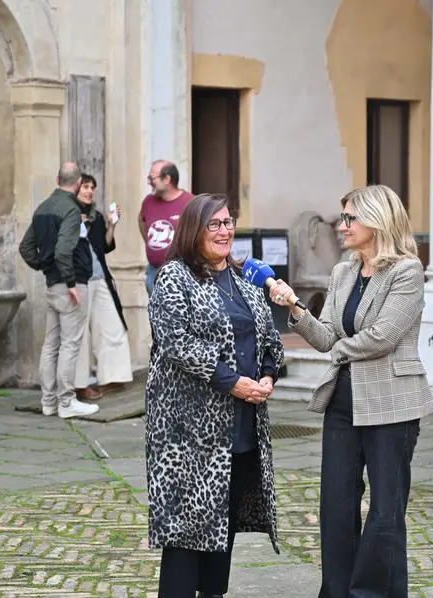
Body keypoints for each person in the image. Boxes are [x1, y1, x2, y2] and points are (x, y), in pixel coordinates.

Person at [269, 184, 433, 598]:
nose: (341, 226)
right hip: (342, 401)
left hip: (392, 403)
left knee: (385, 511)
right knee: (337, 507)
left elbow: (383, 336)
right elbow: (325, 338)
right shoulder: (343, 269)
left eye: (350, 218)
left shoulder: (407, 271)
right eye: (342, 217)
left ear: (377, 221)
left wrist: (340, 350)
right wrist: (296, 309)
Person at [145, 193, 283, 598]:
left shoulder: (244, 278)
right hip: (187, 431)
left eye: (228, 222)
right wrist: (231, 381)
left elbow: (269, 340)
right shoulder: (175, 277)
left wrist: (269, 376)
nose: (225, 231)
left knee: (222, 527)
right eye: (215, 224)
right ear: (194, 230)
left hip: (239, 428)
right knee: (186, 534)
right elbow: (176, 341)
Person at [18, 162, 100, 419]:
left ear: (57, 179)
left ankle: (48, 402)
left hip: (52, 285)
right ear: (77, 184)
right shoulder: (71, 211)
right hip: (70, 286)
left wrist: (45, 266)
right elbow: (64, 250)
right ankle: (66, 402)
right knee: (70, 344)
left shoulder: (42, 208)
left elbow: (26, 249)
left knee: (51, 344)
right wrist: (71, 282)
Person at [73, 173, 134, 400]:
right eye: (85, 187)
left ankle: (113, 377)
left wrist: (111, 225)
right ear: (76, 189)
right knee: (79, 334)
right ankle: (79, 384)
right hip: (79, 279)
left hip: (100, 279)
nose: (89, 191)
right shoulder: (69, 215)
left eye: (92, 187)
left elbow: (105, 246)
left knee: (112, 326)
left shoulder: (96, 217)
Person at [139, 160, 196, 295]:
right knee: (157, 315)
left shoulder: (190, 203)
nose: (149, 182)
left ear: (167, 179)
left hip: (181, 274)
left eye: (151, 178)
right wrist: (152, 243)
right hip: (154, 272)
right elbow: (141, 220)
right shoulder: (148, 202)